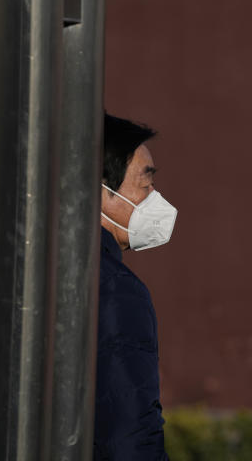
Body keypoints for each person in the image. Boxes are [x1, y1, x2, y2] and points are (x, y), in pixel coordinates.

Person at [95, 113, 178, 460]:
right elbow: (128, 430)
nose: (154, 199)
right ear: (100, 190)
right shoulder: (115, 290)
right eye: (145, 186)